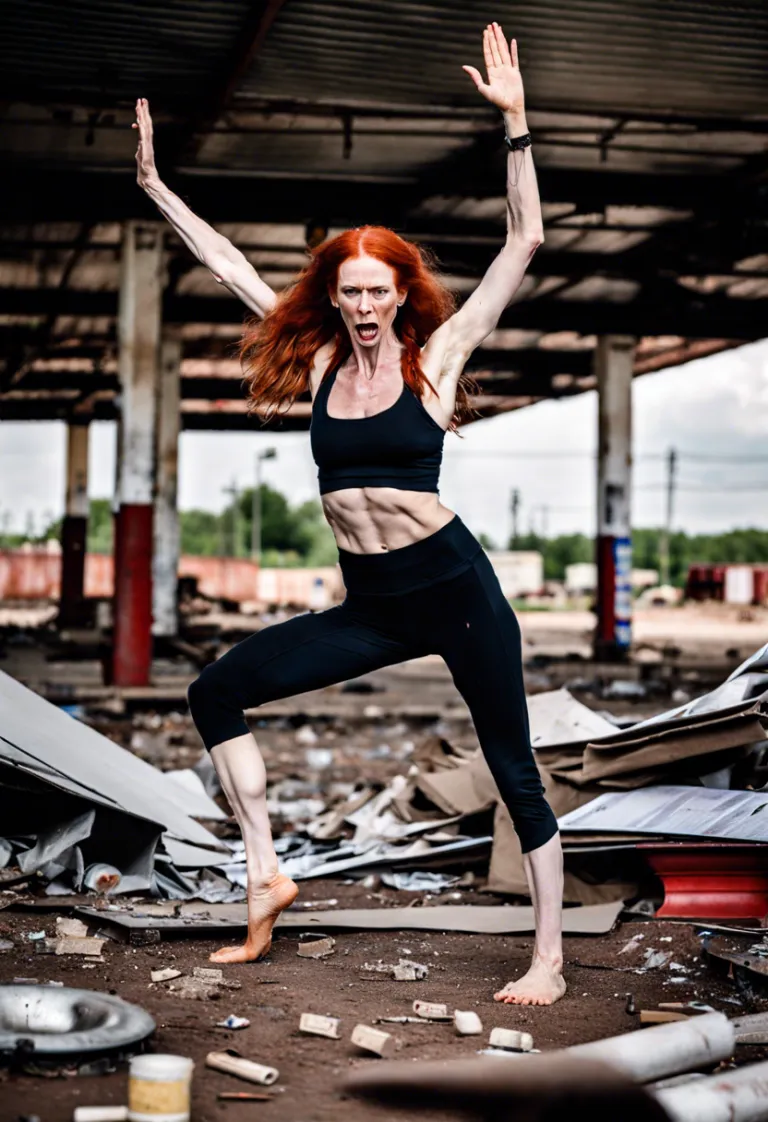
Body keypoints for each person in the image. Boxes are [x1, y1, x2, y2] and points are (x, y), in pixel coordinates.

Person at [134, 22, 565, 1006]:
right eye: (350, 290)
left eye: (379, 290)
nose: (365, 305)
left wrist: (517, 126)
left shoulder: (436, 357)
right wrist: (159, 190)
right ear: (332, 295)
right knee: (214, 694)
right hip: (373, 605)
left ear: (398, 292)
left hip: (454, 591)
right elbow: (233, 268)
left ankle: (546, 958)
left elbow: (526, 240)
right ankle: (266, 874)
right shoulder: (326, 362)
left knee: (514, 769)